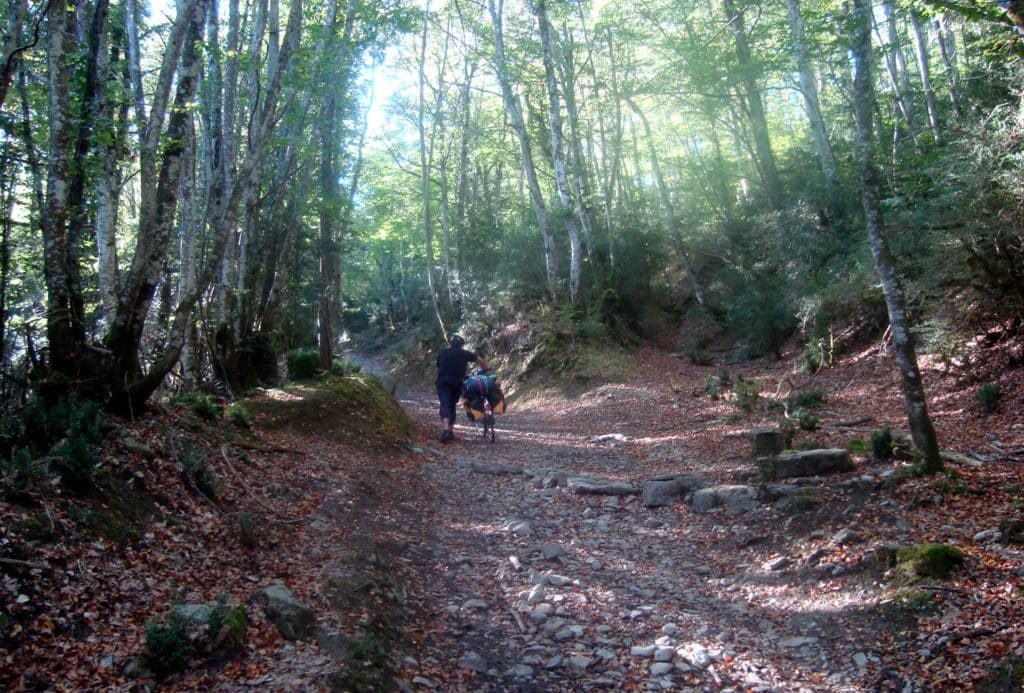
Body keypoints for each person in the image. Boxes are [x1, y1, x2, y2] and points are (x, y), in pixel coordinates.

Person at [436, 335, 487, 443]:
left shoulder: (443, 352)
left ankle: (446, 431)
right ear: (462, 345)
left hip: (443, 382)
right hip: (457, 382)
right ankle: (450, 431)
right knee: (452, 404)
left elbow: (438, 365)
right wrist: (485, 370)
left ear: (450, 343)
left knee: (445, 404)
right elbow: (480, 360)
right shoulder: (464, 353)